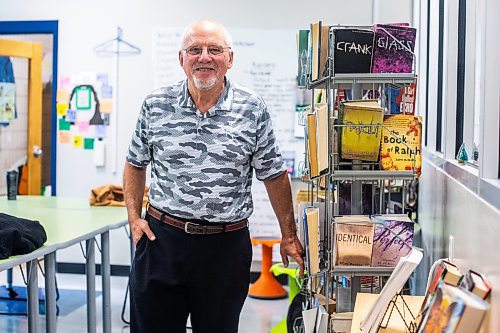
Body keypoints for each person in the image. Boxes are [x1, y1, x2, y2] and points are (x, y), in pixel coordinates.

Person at [123, 19, 304, 333]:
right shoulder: (155, 105)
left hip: (225, 248)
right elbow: (134, 163)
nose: (204, 57)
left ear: (229, 59)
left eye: (214, 50)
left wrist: (288, 236)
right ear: (182, 59)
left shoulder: (252, 109)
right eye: (194, 49)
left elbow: (274, 174)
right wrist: (133, 218)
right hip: (162, 241)